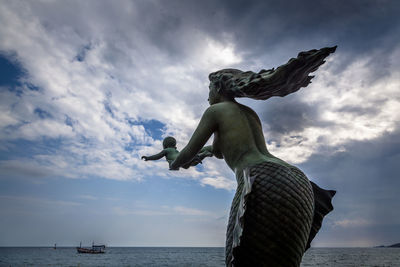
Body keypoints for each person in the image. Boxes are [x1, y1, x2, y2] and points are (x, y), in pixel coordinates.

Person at [169, 47, 337, 266]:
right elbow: (219, 150)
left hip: (260, 177)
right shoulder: (249, 113)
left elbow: (188, 152)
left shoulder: (215, 111)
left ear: (219, 87)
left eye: (209, 87)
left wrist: (175, 162)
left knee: (237, 258)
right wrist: (205, 153)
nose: (207, 94)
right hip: (298, 181)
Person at [141, 136, 213, 169]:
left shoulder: (166, 150)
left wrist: (148, 158)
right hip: (182, 157)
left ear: (165, 145)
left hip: (177, 160)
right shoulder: (176, 151)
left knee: (173, 165)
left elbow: (157, 156)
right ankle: (203, 154)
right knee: (188, 164)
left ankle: (202, 155)